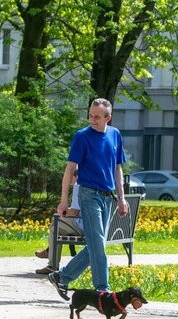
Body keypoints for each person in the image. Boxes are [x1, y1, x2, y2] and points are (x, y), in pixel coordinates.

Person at [47, 98, 128, 300]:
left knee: (95, 244)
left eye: (97, 117)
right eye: (90, 115)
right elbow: (69, 170)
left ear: (108, 118)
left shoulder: (115, 135)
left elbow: (118, 169)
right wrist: (63, 199)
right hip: (88, 195)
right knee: (98, 244)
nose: (93, 120)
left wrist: (121, 198)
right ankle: (103, 290)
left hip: (107, 197)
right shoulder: (82, 137)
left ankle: (62, 276)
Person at [34, 175, 82, 275]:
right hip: (93, 226)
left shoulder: (78, 185)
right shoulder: (91, 184)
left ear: (75, 176)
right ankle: (49, 252)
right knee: (57, 223)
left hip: (82, 226)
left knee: (55, 222)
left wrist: (63, 212)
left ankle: (52, 264)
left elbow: (74, 212)